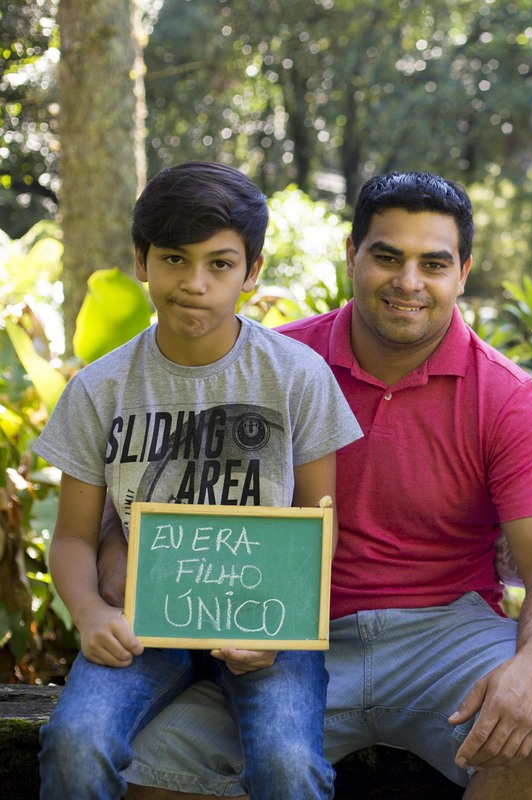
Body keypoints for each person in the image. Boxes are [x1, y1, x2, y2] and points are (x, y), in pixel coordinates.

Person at [102, 170, 532, 799]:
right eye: (387, 257)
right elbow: (156, 497)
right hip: (288, 637)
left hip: (444, 635)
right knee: (158, 766)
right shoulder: (274, 365)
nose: (408, 282)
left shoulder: (504, 397)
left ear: (463, 273)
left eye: (433, 263)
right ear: (352, 256)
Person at [33, 161, 363, 799]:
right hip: (138, 620)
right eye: (175, 259)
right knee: (76, 742)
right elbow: (72, 537)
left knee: (289, 766)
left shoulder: (296, 377)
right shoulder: (100, 389)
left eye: (220, 264)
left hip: (262, 620)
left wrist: (281, 627)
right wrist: (90, 613)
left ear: (253, 271)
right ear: (141, 260)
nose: (194, 283)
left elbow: (318, 525)